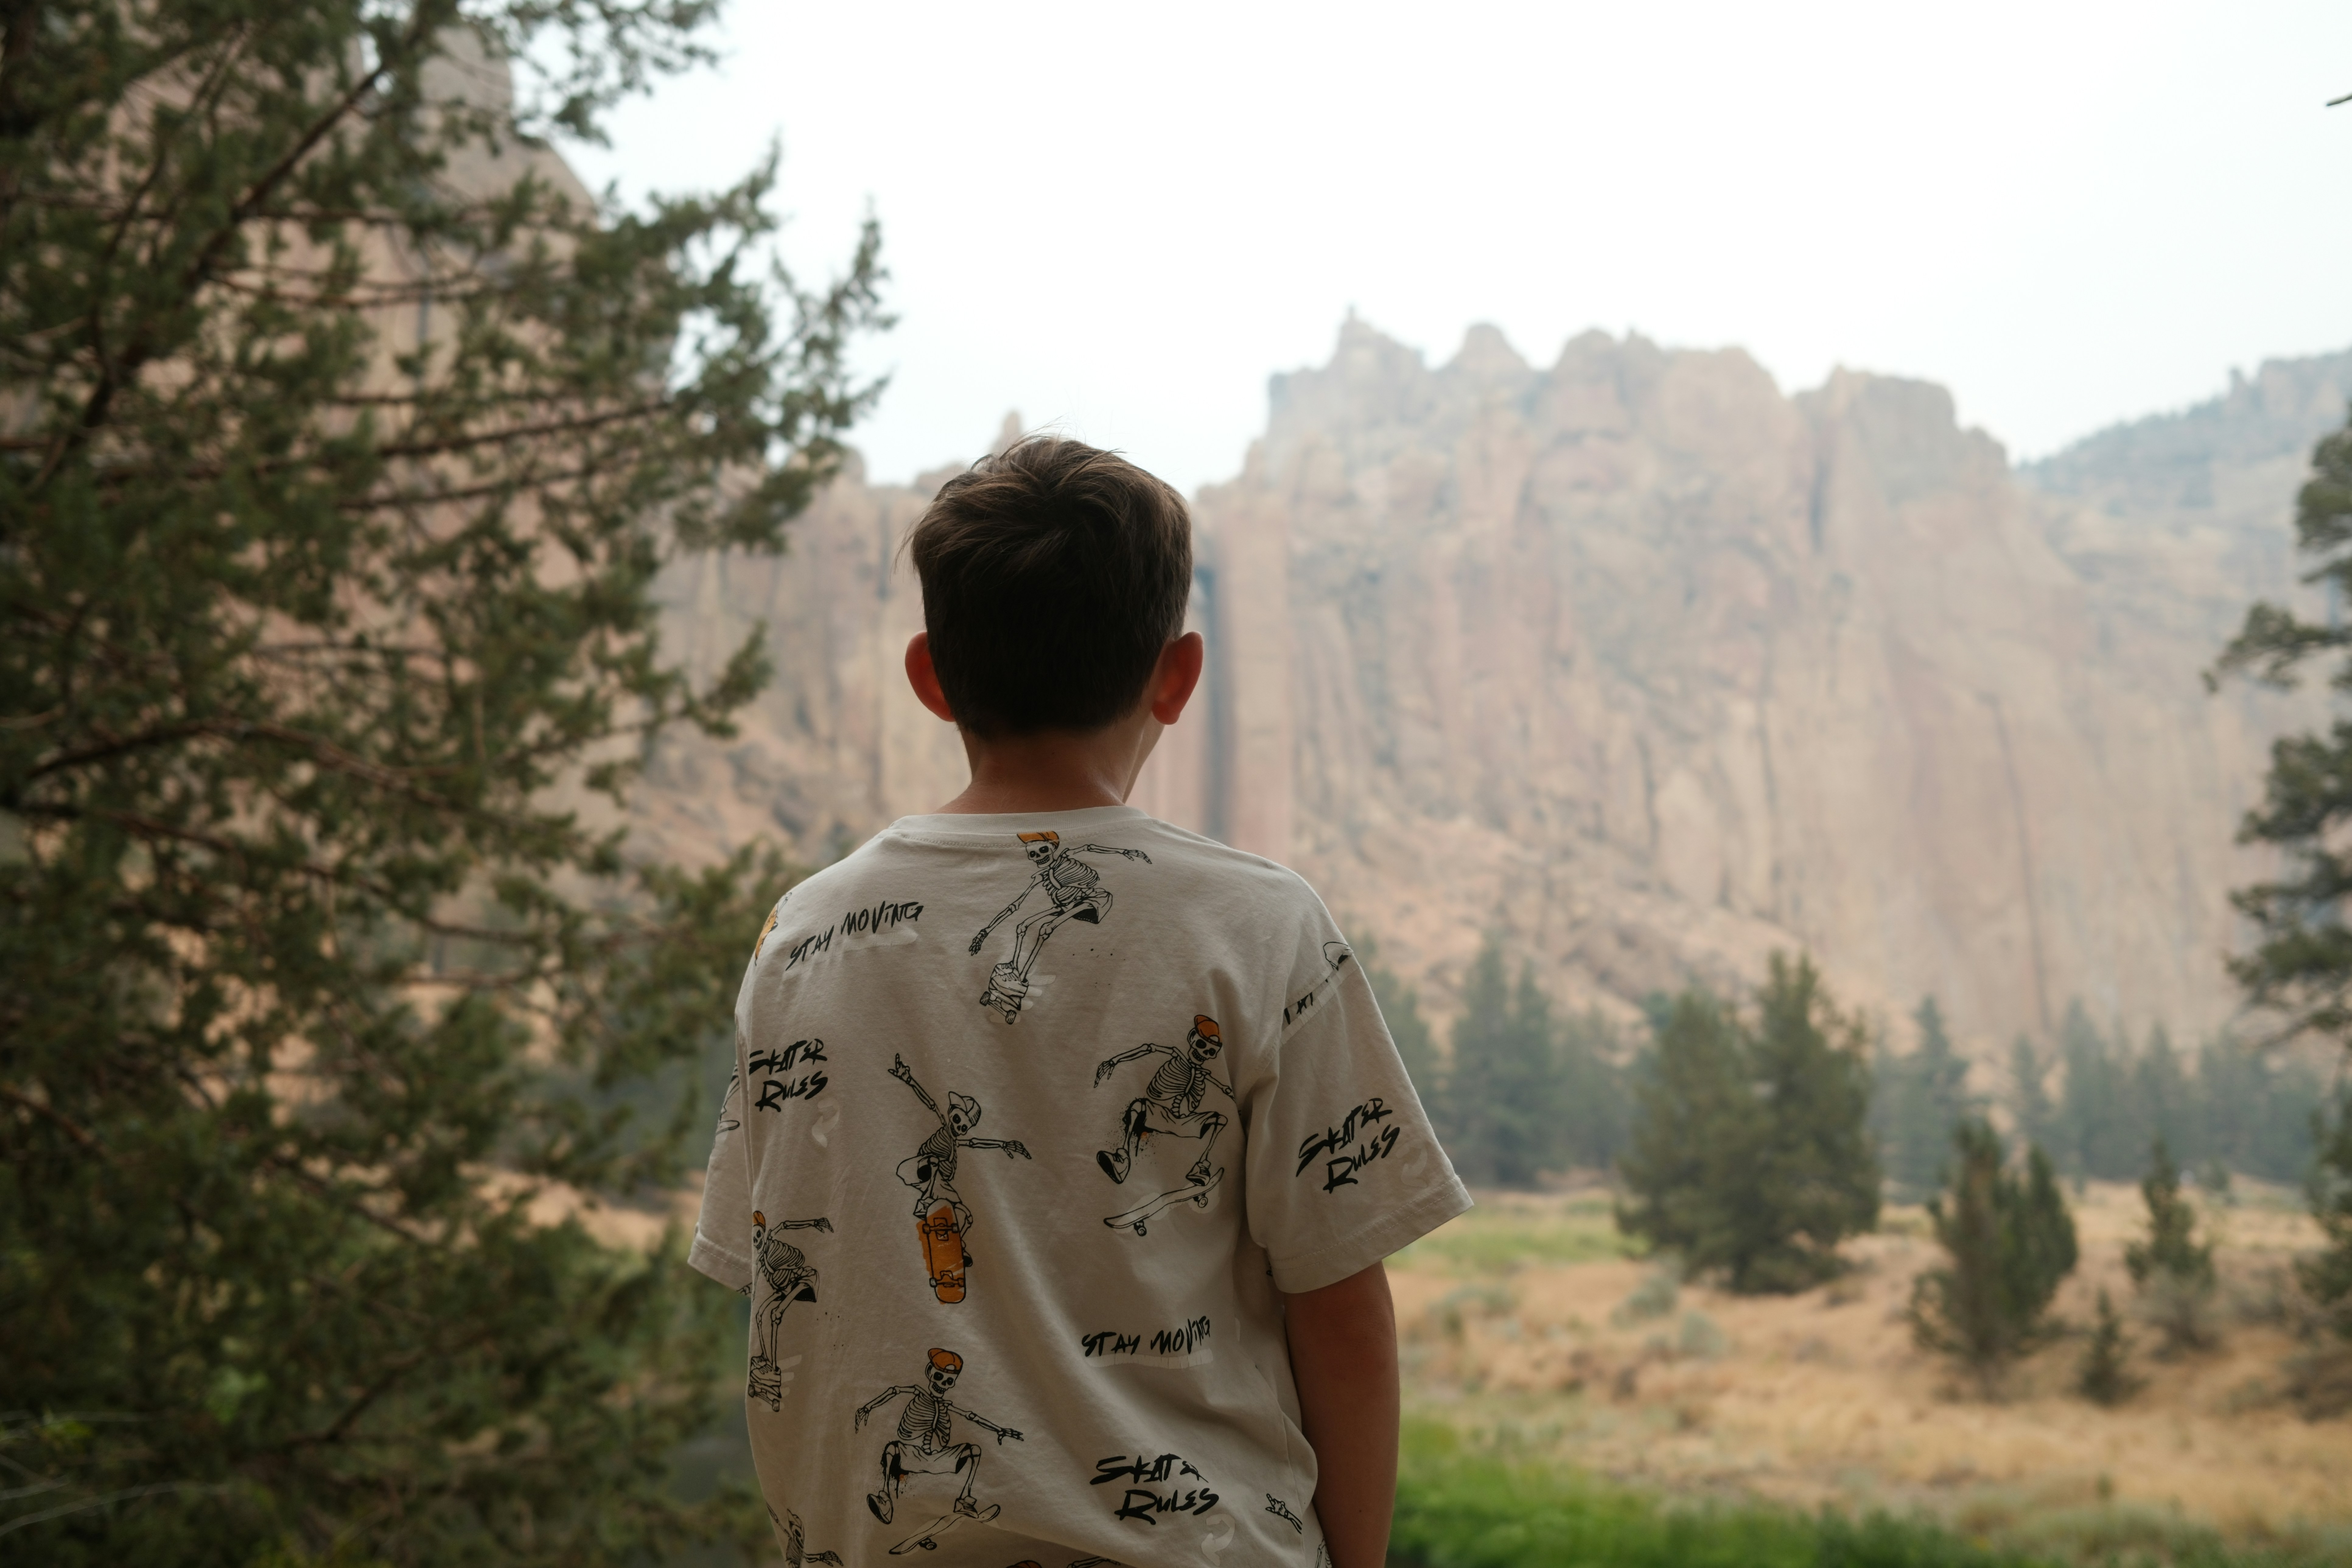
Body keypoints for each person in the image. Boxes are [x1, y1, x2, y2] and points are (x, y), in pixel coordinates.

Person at [689, 436, 1469, 1568]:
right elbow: (1342, 1308)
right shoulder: (1263, 926)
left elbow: (776, 1277)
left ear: (931, 675)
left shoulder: (803, 936)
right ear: (1179, 673)